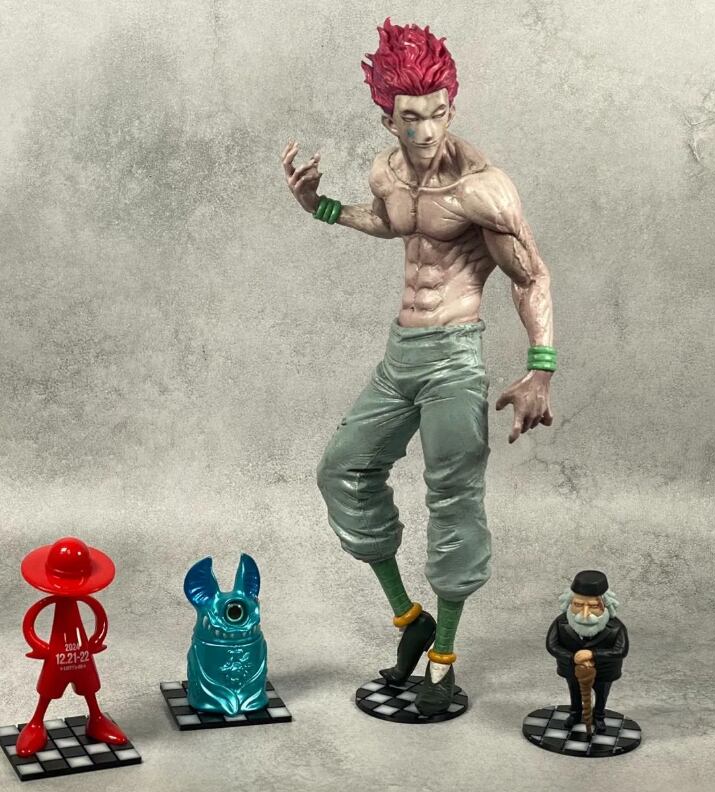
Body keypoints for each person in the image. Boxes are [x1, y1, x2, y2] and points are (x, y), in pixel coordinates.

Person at [282, 17, 556, 715]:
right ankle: (411, 620)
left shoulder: (483, 189)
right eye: (412, 117)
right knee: (342, 470)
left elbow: (530, 274)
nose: (427, 130)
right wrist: (322, 208)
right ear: (388, 120)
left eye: (437, 113)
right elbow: (390, 223)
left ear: (450, 109)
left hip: (454, 358)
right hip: (400, 354)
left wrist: (541, 366)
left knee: (453, 499)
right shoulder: (387, 170)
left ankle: (444, 660)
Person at [16, 537, 128, 756]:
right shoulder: (58, 603)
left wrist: (95, 640)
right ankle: (36, 723)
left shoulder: (85, 601)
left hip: (82, 656)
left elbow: (99, 615)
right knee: (47, 691)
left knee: (90, 688)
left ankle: (96, 719)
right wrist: (41, 647)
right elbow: (30, 623)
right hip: (58, 658)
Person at [546, 570, 629, 732]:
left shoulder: (616, 627)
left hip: (604, 670)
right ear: (570, 603)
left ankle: (599, 716)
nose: (585, 614)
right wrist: (572, 657)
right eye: (578, 605)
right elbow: (552, 645)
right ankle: (575, 713)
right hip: (572, 669)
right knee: (575, 691)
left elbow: (621, 650)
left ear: (606, 606)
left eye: (593, 606)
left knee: (601, 693)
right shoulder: (561, 623)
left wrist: (593, 654)